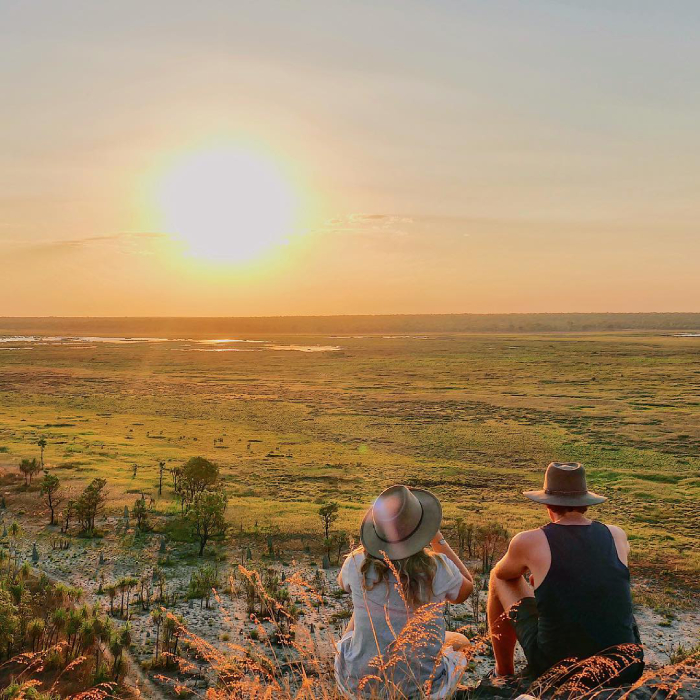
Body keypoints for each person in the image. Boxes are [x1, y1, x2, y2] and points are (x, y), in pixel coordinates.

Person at [488, 462, 643, 682]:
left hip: (557, 667)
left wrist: (540, 581)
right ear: (586, 503)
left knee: (497, 577)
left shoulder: (530, 540)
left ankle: (503, 673)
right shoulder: (616, 534)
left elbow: (505, 573)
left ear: (547, 505)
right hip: (626, 665)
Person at [335, 484, 473, 699]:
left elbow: (343, 584)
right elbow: (467, 588)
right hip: (420, 691)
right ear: (421, 531)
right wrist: (437, 538)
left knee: (361, 603)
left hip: (356, 686)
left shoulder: (356, 563)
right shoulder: (437, 568)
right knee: (461, 642)